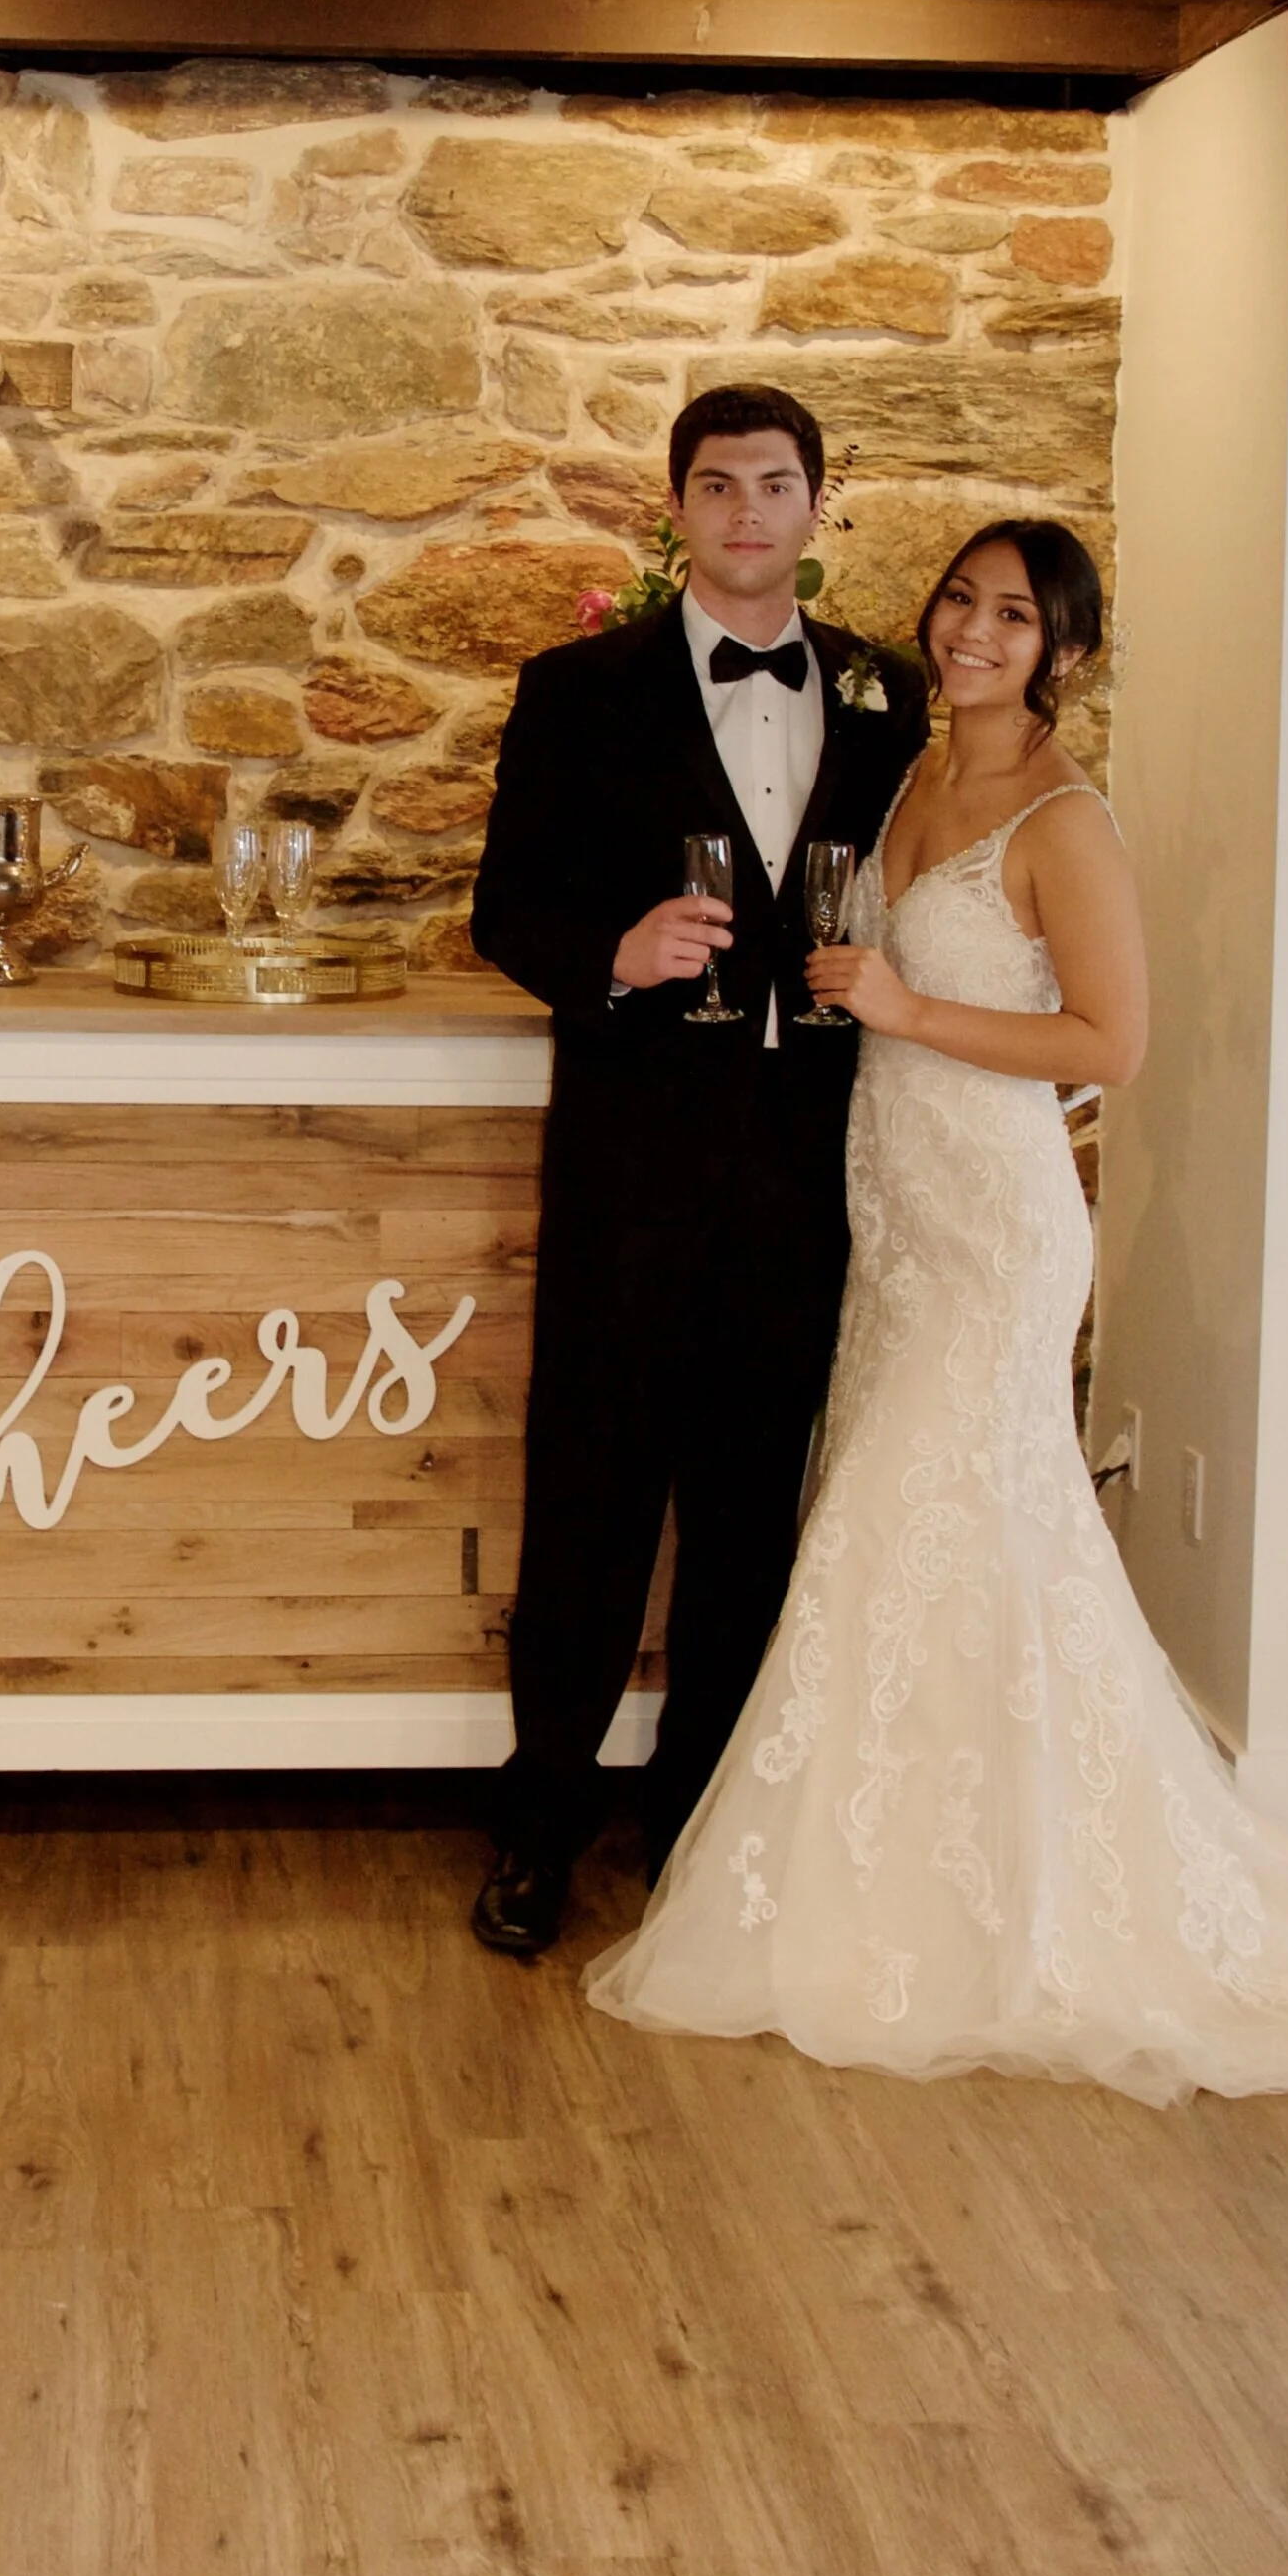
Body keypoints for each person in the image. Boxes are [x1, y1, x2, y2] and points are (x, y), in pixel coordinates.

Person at [586, 518, 1288, 2105]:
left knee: (907, 1522)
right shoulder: (900, 771)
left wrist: (906, 1005)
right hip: (887, 1214)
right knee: (907, 1522)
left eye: (1016, 617)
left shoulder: (1062, 821)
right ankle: (916, 1866)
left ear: (1066, 655)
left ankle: (964, 1908)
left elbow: (1109, 1047)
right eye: (961, 600)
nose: (975, 631)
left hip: (990, 1226)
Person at [468, 383, 928, 1955]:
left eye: (775, 484)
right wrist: (611, 952)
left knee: (748, 1523)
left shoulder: (889, 697)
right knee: (586, 1508)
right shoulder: (577, 688)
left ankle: (700, 1830)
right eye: (716, 485)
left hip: (807, 1178)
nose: (746, 511)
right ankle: (536, 1828)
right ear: (678, 510)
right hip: (629, 1176)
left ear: (816, 505)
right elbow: (502, 911)